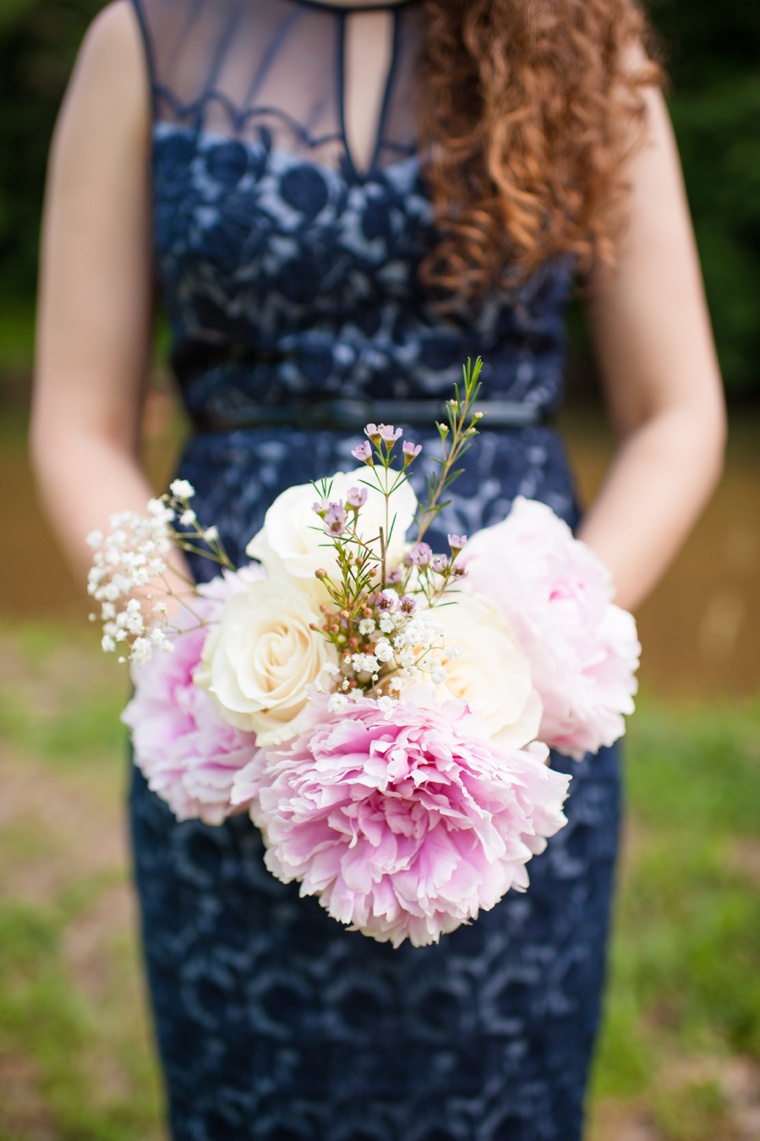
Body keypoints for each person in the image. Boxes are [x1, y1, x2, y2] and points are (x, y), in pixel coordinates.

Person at [30, 0, 725, 1138]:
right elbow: (77, 422)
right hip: (232, 680)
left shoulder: (587, 40)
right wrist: (198, 661)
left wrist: (540, 644)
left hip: (511, 717)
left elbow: (678, 412)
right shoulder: (145, 36)